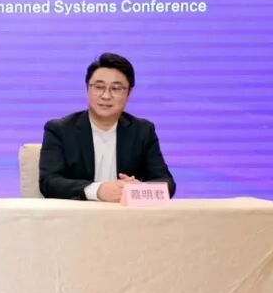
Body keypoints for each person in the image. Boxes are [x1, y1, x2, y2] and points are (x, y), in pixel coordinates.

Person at [39, 52, 176, 202]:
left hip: (125, 214)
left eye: (116, 88)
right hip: (78, 214)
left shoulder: (142, 131)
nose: (106, 96)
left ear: (129, 92)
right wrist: (98, 190)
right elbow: (49, 182)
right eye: (99, 87)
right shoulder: (60, 130)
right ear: (87, 88)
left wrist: (139, 189)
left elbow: (166, 183)